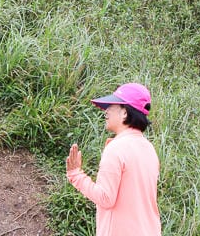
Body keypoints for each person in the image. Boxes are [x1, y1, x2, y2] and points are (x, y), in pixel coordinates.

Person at [66, 83, 160, 236]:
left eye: (111, 105)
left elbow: (105, 198)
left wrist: (76, 175)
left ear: (124, 113)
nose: (106, 110)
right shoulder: (149, 150)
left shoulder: (116, 148)